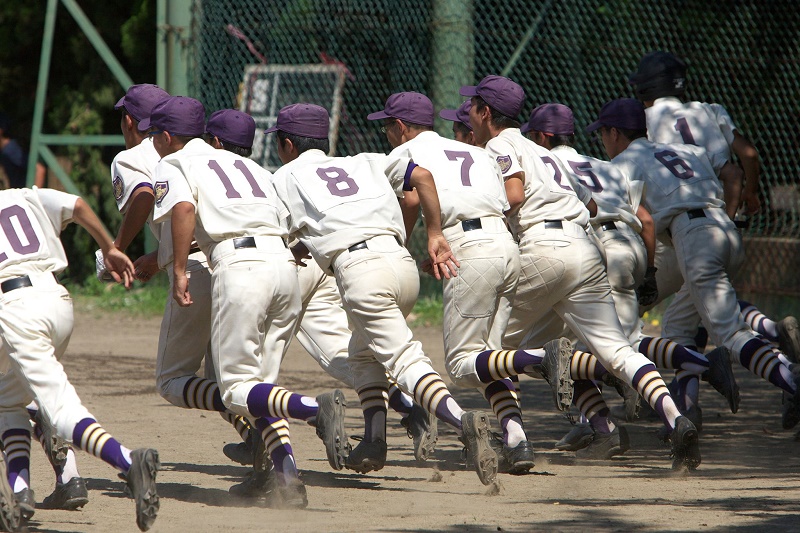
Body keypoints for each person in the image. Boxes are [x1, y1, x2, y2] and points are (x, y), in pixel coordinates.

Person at [463, 75, 701, 470]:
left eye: (472, 106)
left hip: (542, 249)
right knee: (615, 348)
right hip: (586, 251)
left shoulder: (499, 144)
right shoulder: (545, 152)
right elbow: (589, 206)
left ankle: (516, 440)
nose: (469, 112)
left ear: (485, 113)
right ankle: (675, 419)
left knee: (491, 351)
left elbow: (515, 195)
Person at [268, 102, 499, 485]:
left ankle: (462, 421)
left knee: (405, 359)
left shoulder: (284, 176)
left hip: (361, 271)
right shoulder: (366, 160)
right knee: (362, 354)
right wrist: (436, 233)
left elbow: (289, 236)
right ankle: (374, 441)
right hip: (400, 262)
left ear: (288, 145)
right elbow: (422, 176)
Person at [149, 95, 347, 509]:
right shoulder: (254, 167)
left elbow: (184, 207)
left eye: (155, 136)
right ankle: (286, 478)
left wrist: (181, 269)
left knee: (233, 387)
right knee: (259, 389)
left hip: (240, 266)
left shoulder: (176, 162)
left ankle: (313, 408)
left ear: (167, 136)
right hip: (284, 264)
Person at [368, 91, 571, 475]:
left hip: (469, 247)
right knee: (490, 358)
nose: (387, 134)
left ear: (399, 127)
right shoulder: (476, 152)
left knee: (462, 366)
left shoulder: (403, 154)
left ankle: (543, 358)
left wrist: (416, 242)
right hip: (507, 247)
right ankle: (517, 440)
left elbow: (411, 201)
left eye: (387, 126)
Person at [523, 103, 739, 454]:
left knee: (569, 350)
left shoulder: (547, 166)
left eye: (532, 136)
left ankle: (603, 418)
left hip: (596, 252)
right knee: (623, 340)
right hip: (632, 247)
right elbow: (647, 221)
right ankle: (694, 366)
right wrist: (649, 270)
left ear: (542, 138)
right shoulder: (603, 165)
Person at [593, 97, 800, 431]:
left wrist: (644, 271)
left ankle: (791, 378)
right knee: (678, 326)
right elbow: (731, 175)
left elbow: (635, 221)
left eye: (602, 133)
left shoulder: (623, 163)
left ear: (615, 132)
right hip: (725, 229)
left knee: (730, 333)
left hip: (694, 238)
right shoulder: (686, 151)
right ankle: (686, 411)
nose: (602, 141)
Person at [0, 186, 159, 531]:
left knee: (58, 407)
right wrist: (110, 247)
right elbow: (77, 204)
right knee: (9, 400)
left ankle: (129, 461)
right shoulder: (23, 195)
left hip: (14, 306)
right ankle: (19, 490)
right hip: (55, 300)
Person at [0, 112, 46, 189]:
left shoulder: (11, 150)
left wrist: (33, 197)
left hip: (23, 196)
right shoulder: (5, 150)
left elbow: (39, 169)